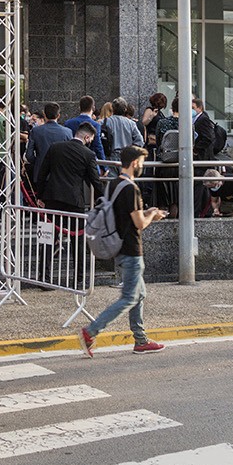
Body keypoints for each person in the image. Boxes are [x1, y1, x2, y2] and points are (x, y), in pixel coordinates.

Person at [79, 145, 167, 356]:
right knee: (129, 297)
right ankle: (91, 331)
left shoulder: (113, 185)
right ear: (135, 162)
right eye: (142, 163)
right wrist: (152, 216)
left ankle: (140, 340)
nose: (142, 167)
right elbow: (138, 223)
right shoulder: (131, 188)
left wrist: (145, 211)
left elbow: (125, 214)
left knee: (140, 294)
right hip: (131, 249)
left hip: (118, 246)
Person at [37, 123, 102, 214]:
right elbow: (95, 180)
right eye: (91, 139)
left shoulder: (55, 147)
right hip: (74, 201)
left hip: (52, 197)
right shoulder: (89, 154)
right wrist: (101, 198)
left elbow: (42, 174)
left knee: (52, 227)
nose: (91, 141)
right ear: (87, 137)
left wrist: (40, 195)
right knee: (74, 228)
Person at [24, 102, 72, 185]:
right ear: (58, 115)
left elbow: (29, 155)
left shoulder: (36, 131)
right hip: (61, 174)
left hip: (40, 172)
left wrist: (38, 161)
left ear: (44, 115)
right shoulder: (67, 132)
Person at [63, 95, 107, 160]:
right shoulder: (95, 125)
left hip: (71, 158)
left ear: (79, 108)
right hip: (88, 159)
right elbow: (97, 146)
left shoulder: (68, 123)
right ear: (93, 108)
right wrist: (104, 166)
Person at [101, 100, 142, 167]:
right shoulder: (131, 123)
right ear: (125, 109)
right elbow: (140, 141)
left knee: (111, 177)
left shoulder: (105, 122)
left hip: (110, 156)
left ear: (113, 108)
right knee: (126, 176)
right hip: (127, 156)